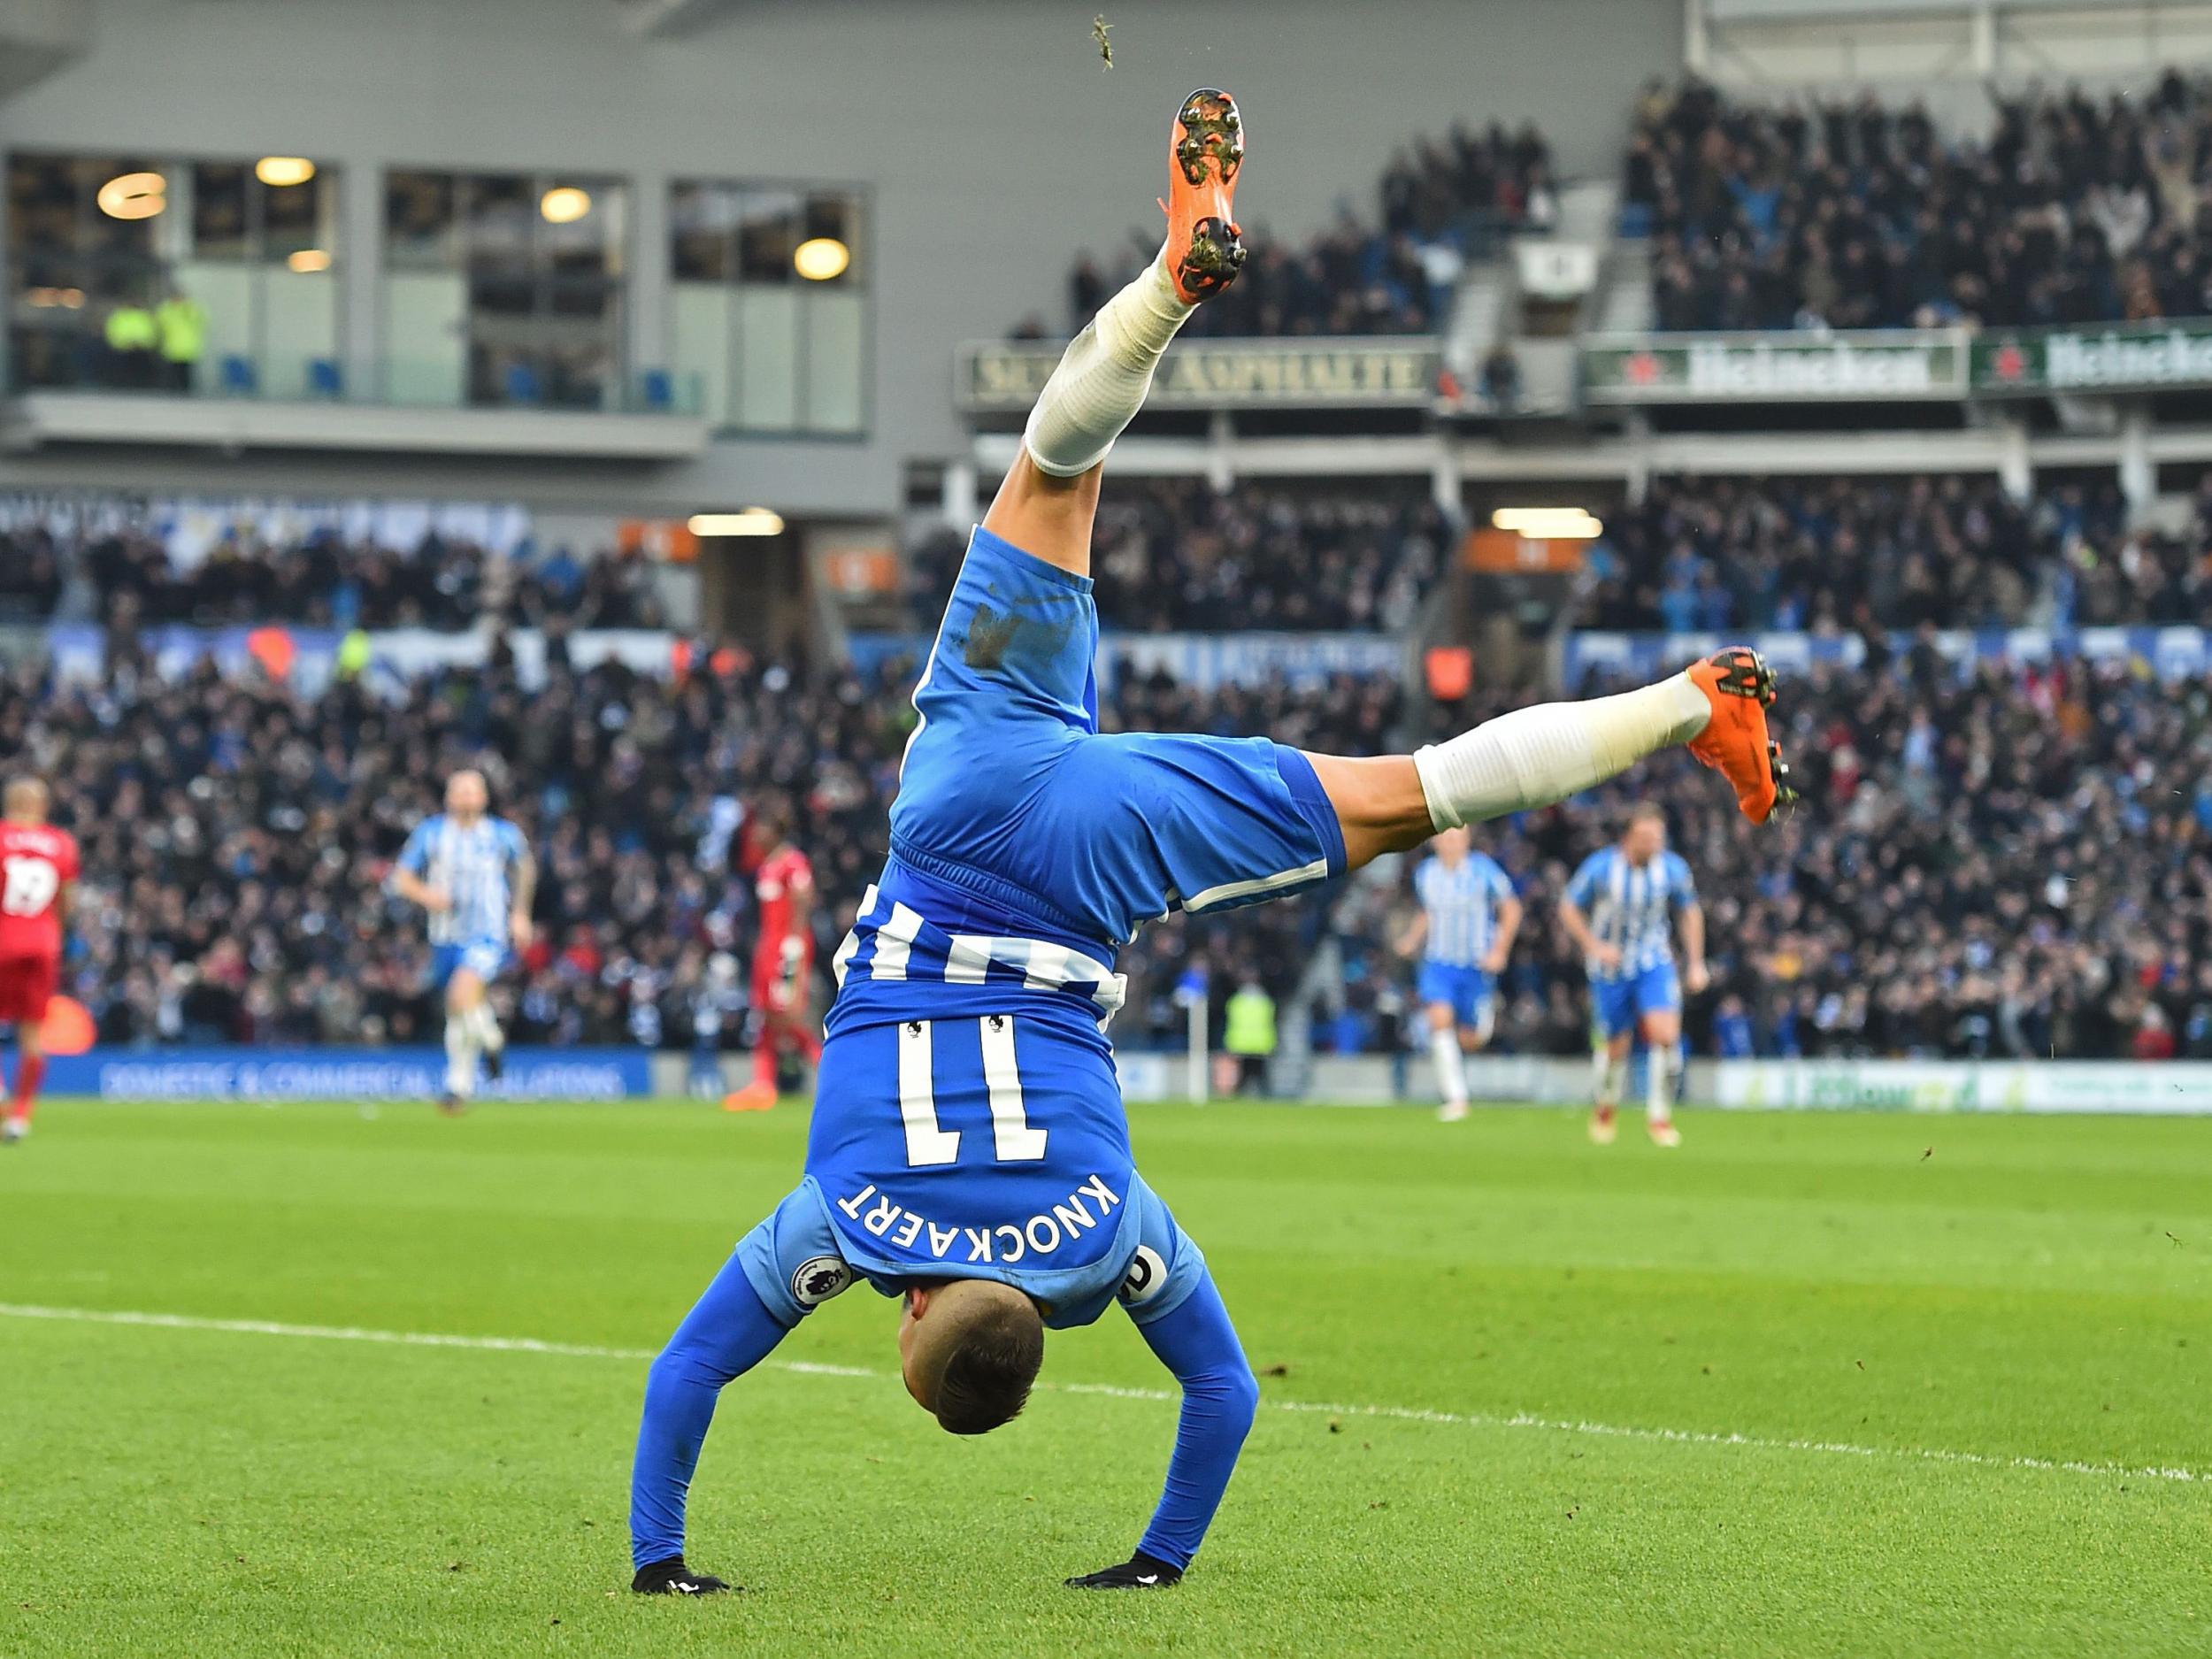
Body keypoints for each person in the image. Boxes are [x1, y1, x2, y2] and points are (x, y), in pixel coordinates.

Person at [626, 88, 1790, 1600]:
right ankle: (1173, 277)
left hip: (1103, 863)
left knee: (1418, 795)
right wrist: (657, 1562)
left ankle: (1691, 703)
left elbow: (1225, 1394)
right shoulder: (834, 1224)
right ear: (912, 1327)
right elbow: (682, 1380)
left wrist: (1158, 1565)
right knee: (1050, 476)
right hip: (963, 815)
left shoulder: (1105, 1241)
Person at [1558, 803, 1707, 1148]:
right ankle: (1606, 1109)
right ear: (1627, 837)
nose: (1653, 842)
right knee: (1615, 1048)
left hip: (1654, 963)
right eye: (1645, 836)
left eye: (1657, 835)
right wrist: (1594, 946)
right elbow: (1568, 906)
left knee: (1666, 1035)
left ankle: (1659, 1117)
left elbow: (1689, 912)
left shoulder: (1672, 868)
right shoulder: (1601, 867)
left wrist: (1696, 962)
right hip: (1610, 968)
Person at [386, 769, 534, 1113]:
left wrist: (520, 913)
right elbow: (401, 877)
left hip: (487, 933)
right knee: (458, 1010)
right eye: (460, 791)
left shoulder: (502, 834)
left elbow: (525, 867)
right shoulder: (432, 833)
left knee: (461, 993)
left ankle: (491, 1046)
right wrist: (427, 896)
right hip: (445, 935)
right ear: (449, 798)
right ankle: (461, 1084)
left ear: (483, 797)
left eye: (473, 791)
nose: (467, 798)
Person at [1397, 826, 1520, 1122]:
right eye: (1446, 837)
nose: (1451, 843)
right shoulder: (1425, 873)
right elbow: (1428, 912)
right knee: (1439, 1022)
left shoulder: (1483, 870)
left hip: (1476, 966)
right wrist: (1412, 939)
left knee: (1470, 1039)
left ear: (1466, 841)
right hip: (1439, 963)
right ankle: (1456, 1098)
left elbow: (1511, 908)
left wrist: (1500, 950)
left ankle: (1487, 1012)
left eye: (1457, 838)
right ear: (1436, 841)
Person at [722, 795, 820, 1112]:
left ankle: (829, 1067)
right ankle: (763, 1086)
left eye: (760, 827)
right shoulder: (766, 865)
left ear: (775, 830)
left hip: (787, 948)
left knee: (788, 1014)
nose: (754, 834)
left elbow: (804, 901)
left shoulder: (793, 863)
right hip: (767, 948)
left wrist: (795, 947)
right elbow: (735, 855)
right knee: (764, 1015)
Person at [0, 779, 78, 1143]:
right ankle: (20, 1115)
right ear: (43, 805)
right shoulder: (62, 843)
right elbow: (67, 901)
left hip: (3, 938)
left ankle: (0, 1092)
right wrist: (53, 934)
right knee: (31, 1034)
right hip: (43, 944)